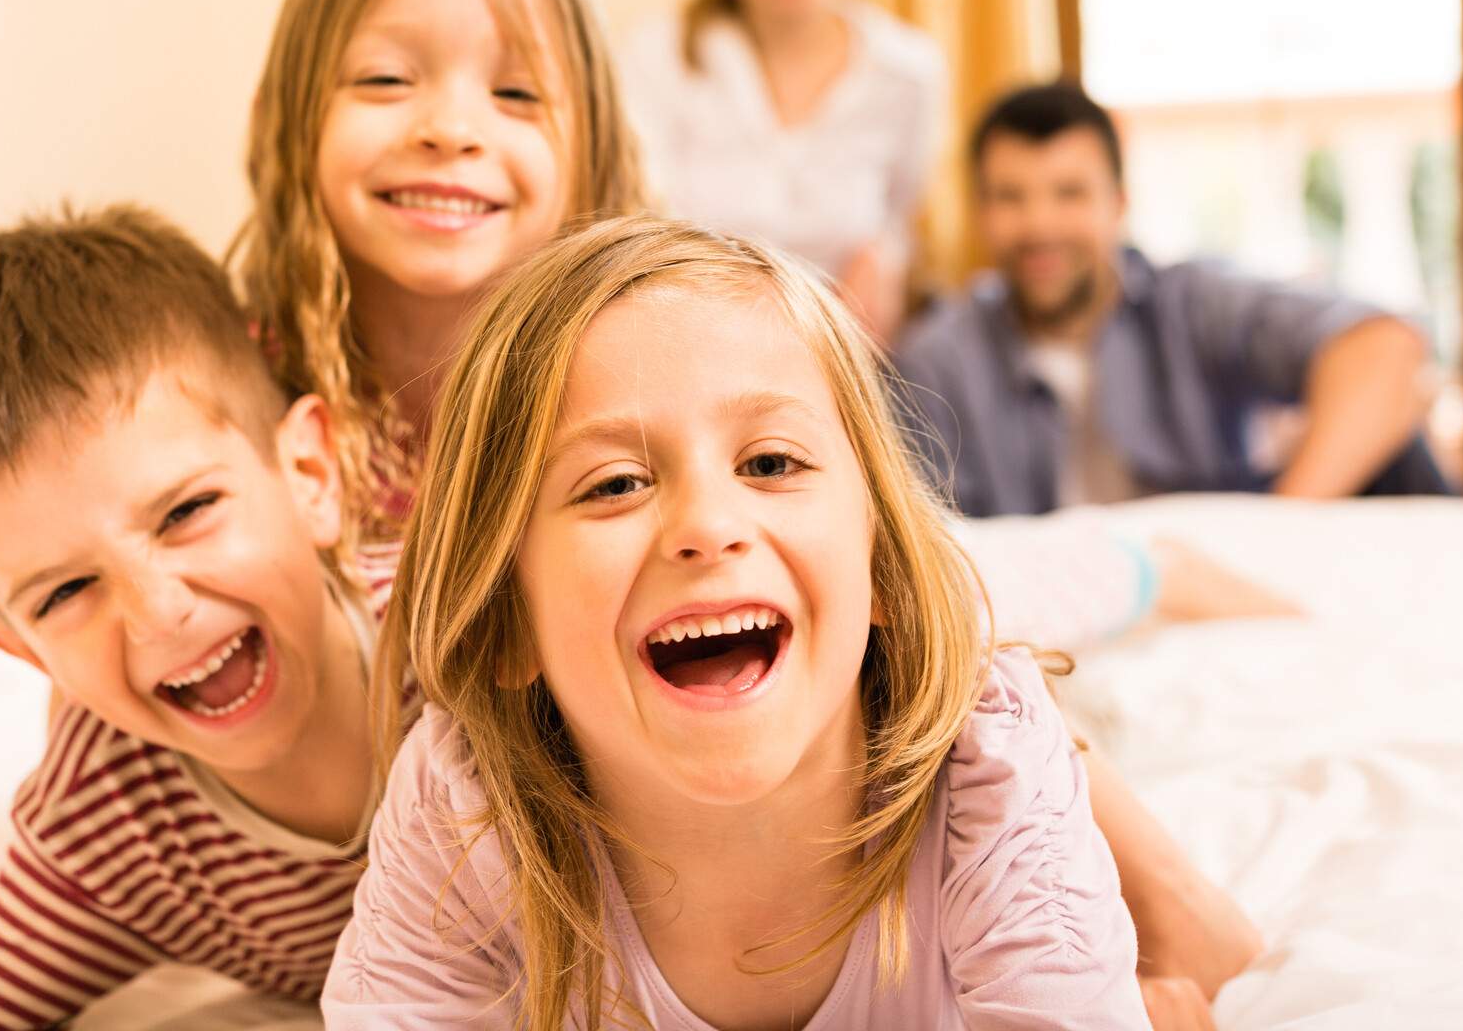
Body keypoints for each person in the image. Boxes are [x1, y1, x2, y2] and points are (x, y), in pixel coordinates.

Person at [237, 0, 1263, 1025]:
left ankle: (1146, 584)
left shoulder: (665, 336)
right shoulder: (254, 402)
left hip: (812, 701)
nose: (449, 126)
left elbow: (930, 653)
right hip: (556, 776)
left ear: (589, 139)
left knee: (955, 623)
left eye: (518, 92)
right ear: (294, 115)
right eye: (385, 78)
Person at [324, 216, 1150, 1028]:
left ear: (884, 573)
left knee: (1092, 583)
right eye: (614, 484)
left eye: (770, 463)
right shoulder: (465, 806)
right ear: (511, 627)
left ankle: (1159, 570)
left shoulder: (986, 768)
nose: (706, 525)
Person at [0, 208, 379, 1028]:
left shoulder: (478, 635)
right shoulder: (105, 836)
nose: (156, 613)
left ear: (309, 473)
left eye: (187, 511)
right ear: (24, 650)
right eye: (63, 594)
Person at [896, 79, 1449, 520]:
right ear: (980, 215)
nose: (1040, 224)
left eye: (1069, 193)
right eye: (1010, 198)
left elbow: (1385, 346)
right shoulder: (936, 359)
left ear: (1118, 203)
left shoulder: (1192, 302)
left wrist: (1283, 532)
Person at [620, 0, 943, 342]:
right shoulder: (657, 57)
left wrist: (884, 267)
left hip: (845, 358)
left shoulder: (909, 72)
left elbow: (895, 227)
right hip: (691, 350)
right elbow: (640, 234)